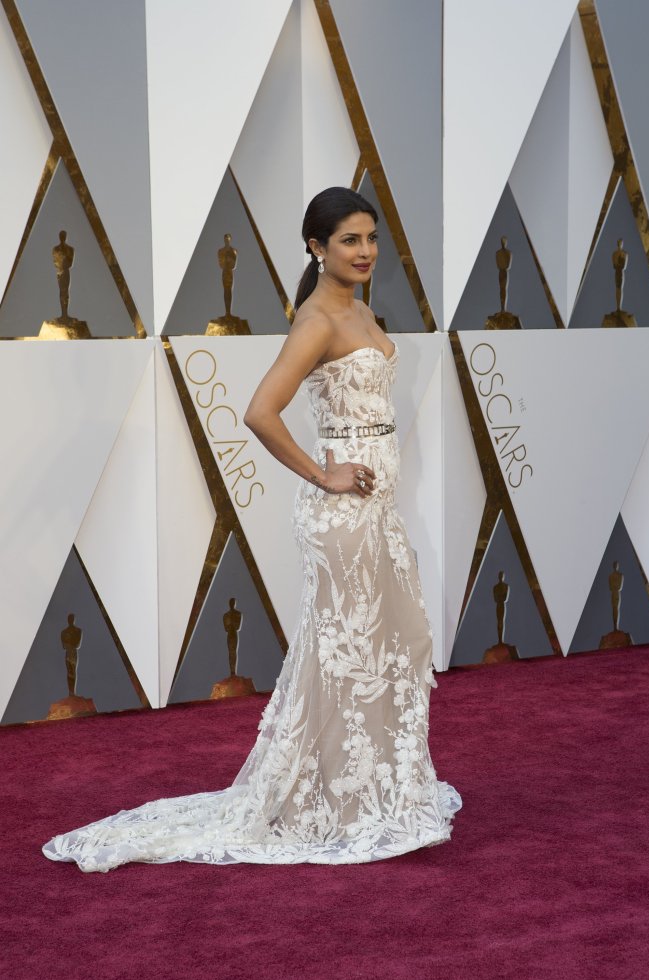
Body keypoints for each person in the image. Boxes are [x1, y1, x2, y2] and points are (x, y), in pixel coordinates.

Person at [42, 186, 462, 872]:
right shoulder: (317, 321)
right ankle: (336, 804)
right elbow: (260, 411)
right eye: (348, 240)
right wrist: (321, 474)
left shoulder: (354, 307)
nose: (364, 252)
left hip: (373, 512)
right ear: (315, 248)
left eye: (370, 238)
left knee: (377, 652)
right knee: (345, 655)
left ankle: (374, 792)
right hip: (342, 516)